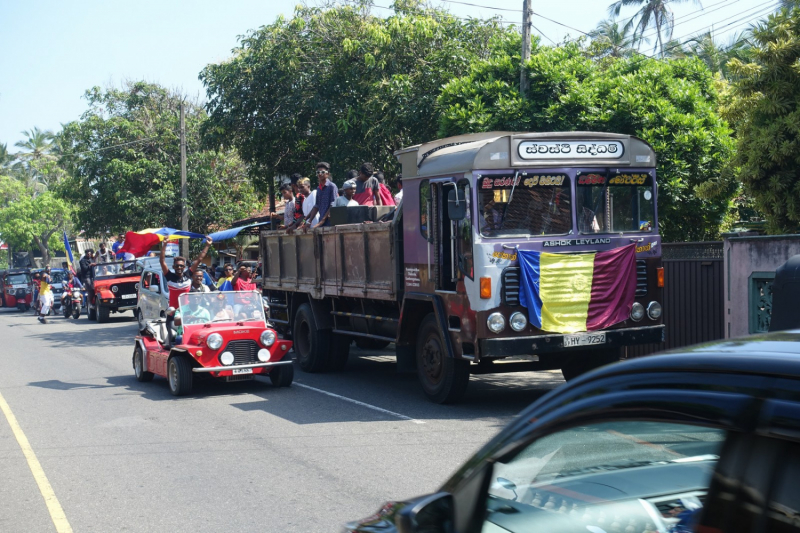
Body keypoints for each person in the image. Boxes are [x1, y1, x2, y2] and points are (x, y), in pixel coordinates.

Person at [160, 235, 213, 309]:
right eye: (177, 265)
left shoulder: (187, 275)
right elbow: (162, 261)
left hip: (187, 312)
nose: (179, 267)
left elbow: (199, 259)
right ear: (173, 267)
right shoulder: (169, 276)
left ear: (184, 267)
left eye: (181, 266)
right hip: (173, 311)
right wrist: (165, 244)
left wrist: (207, 245)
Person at [301, 162, 339, 229]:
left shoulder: (332, 186)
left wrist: (322, 221)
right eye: (318, 172)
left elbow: (333, 205)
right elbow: (316, 206)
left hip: (330, 224)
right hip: (321, 224)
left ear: (327, 174)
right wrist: (307, 221)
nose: (320, 174)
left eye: (322, 172)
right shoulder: (319, 188)